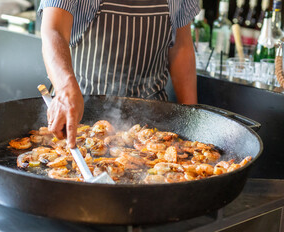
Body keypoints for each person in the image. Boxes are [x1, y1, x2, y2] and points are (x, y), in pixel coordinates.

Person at [39, 0, 199, 149]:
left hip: (153, 122)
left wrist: (194, 121)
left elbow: (181, 46)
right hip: (79, 116)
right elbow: (53, 30)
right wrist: (65, 87)